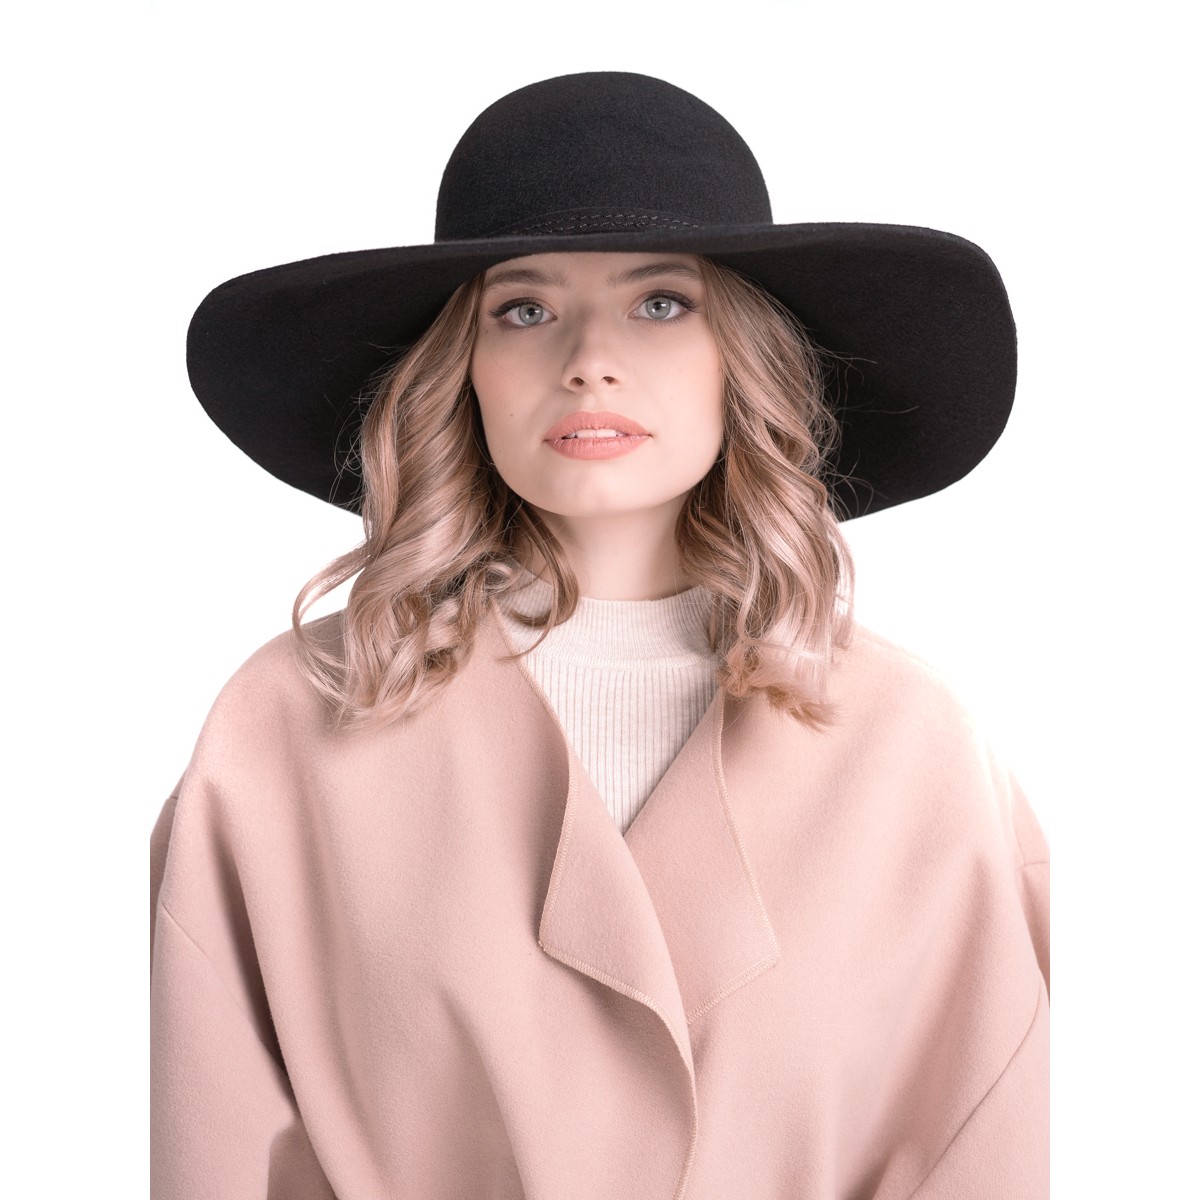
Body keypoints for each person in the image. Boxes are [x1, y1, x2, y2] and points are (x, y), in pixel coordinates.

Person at [150, 72, 1049, 1198]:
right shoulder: (286, 731)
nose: (587, 358)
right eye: (522, 310)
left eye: (661, 303)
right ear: (460, 369)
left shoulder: (912, 748)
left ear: (743, 357)